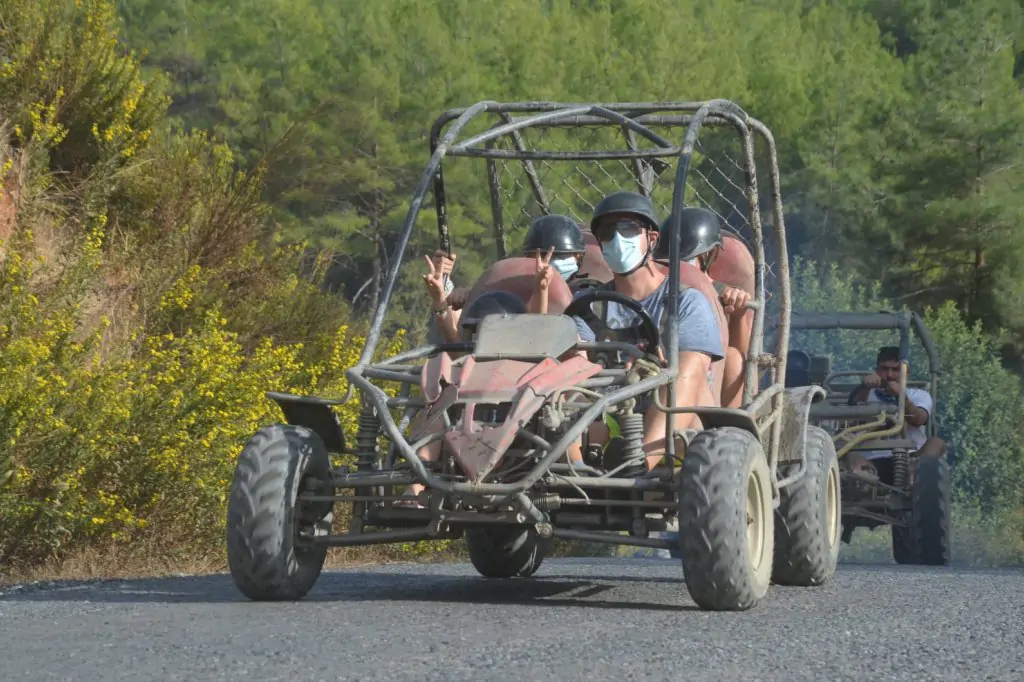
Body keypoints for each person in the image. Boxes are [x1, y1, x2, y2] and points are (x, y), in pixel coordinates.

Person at [565, 191, 725, 471]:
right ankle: (574, 466)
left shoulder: (685, 301)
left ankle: (640, 466)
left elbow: (694, 370)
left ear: (651, 239)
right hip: (610, 414)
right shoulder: (588, 306)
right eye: (607, 232)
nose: (617, 240)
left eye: (628, 229)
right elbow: (576, 363)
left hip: (679, 428)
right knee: (566, 369)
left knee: (686, 366)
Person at [654, 207, 754, 408]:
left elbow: (740, 353)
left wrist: (738, 313)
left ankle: (730, 429)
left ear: (708, 255)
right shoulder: (655, 286)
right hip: (656, 365)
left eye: (690, 258)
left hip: (704, 375)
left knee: (734, 358)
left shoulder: (720, 293)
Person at [845, 346, 946, 482]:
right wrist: (865, 386)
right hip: (871, 458)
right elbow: (851, 408)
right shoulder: (866, 394)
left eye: (896, 370)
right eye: (884, 369)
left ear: (906, 373)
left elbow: (918, 419)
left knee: (936, 443)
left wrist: (902, 397)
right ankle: (866, 483)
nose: (890, 375)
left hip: (910, 458)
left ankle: (913, 478)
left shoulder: (918, 395)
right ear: (877, 371)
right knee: (849, 454)